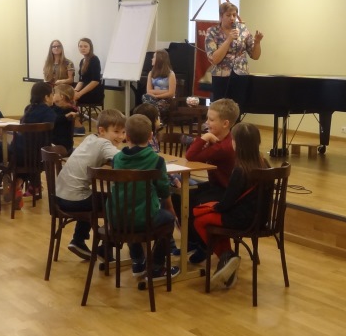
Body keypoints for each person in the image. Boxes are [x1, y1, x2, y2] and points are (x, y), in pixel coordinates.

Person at [191, 122, 270, 290]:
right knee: (205, 215)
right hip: (261, 218)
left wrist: (213, 207)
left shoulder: (240, 170)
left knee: (199, 219)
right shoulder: (265, 164)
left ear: (236, 144)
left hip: (242, 220)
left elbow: (226, 204)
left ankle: (226, 256)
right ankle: (227, 260)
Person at [112, 114, 179, 280]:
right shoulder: (156, 160)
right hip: (144, 218)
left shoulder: (116, 159)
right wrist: (170, 208)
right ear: (151, 136)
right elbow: (163, 190)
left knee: (131, 210)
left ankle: (138, 261)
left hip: (116, 217)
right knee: (167, 219)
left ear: (127, 136)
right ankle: (157, 266)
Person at [60, 109, 127, 260]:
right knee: (118, 202)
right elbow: (125, 160)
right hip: (74, 200)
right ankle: (106, 246)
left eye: (123, 132)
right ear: (102, 131)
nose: (121, 137)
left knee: (96, 196)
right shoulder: (104, 144)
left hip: (60, 196)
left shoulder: (90, 138)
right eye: (116, 132)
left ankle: (79, 239)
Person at [183, 97, 240, 263]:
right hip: (218, 186)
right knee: (182, 196)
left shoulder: (223, 147)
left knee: (192, 202)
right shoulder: (220, 140)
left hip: (226, 191)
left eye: (211, 120)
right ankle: (194, 241)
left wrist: (204, 137)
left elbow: (191, 156)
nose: (207, 122)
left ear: (225, 124)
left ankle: (203, 245)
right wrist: (207, 138)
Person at [205, 1, 263, 104]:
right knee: (221, 108)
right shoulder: (212, 31)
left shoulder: (243, 30)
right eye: (228, 15)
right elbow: (214, 59)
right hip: (221, 77)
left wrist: (257, 42)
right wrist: (229, 39)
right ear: (221, 16)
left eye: (234, 15)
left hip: (241, 76)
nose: (232, 18)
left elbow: (255, 56)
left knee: (239, 107)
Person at [142, 49, 176, 118]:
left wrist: (157, 96)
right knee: (145, 97)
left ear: (159, 59)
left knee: (155, 106)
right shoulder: (151, 73)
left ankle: (155, 120)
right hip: (154, 99)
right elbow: (148, 91)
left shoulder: (170, 74)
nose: (152, 59)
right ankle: (154, 119)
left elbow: (171, 93)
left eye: (154, 57)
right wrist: (166, 91)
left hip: (166, 99)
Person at [73, 37, 103, 109]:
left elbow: (95, 81)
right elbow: (81, 80)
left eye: (85, 46)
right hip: (84, 91)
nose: (83, 48)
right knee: (68, 96)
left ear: (90, 48)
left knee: (68, 99)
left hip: (94, 93)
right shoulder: (82, 61)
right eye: (80, 46)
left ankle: (74, 115)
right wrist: (75, 91)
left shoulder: (94, 59)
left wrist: (79, 94)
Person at [51, 82, 80, 153]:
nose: (52, 95)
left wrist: (65, 116)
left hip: (62, 146)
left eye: (54, 93)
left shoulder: (68, 110)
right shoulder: (55, 107)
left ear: (61, 96)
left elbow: (54, 120)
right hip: (57, 143)